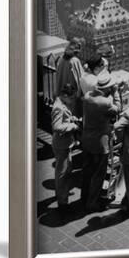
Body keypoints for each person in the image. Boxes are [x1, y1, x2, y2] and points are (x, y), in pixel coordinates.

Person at [80, 72, 121, 212]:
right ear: (108, 87)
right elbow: (117, 108)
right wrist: (115, 92)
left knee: (87, 171)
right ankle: (92, 203)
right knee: (98, 174)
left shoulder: (87, 97)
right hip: (100, 144)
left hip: (86, 140)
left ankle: (84, 198)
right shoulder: (106, 102)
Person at [51, 83, 80, 213]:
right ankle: (62, 203)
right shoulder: (59, 108)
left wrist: (71, 119)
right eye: (71, 98)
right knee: (62, 173)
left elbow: (63, 121)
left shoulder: (62, 104)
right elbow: (57, 127)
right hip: (61, 144)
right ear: (65, 95)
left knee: (66, 170)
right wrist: (73, 126)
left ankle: (62, 196)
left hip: (64, 143)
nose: (72, 101)